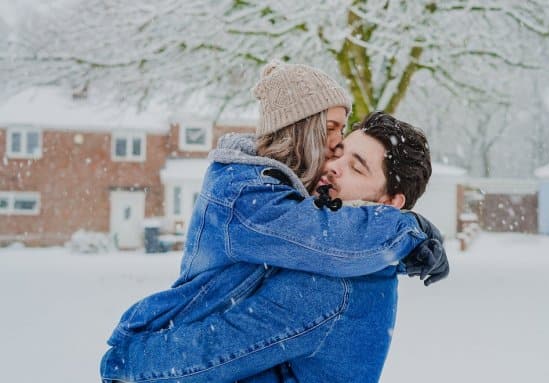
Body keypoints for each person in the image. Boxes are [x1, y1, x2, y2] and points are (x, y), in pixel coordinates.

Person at [100, 62, 447, 382]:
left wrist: (128, 361)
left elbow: (215, 351)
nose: (333, 162)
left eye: (357, 167)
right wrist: (412, 230)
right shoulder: (301, 228)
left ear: (390, 204)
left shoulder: (334, 282)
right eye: (337, 150)